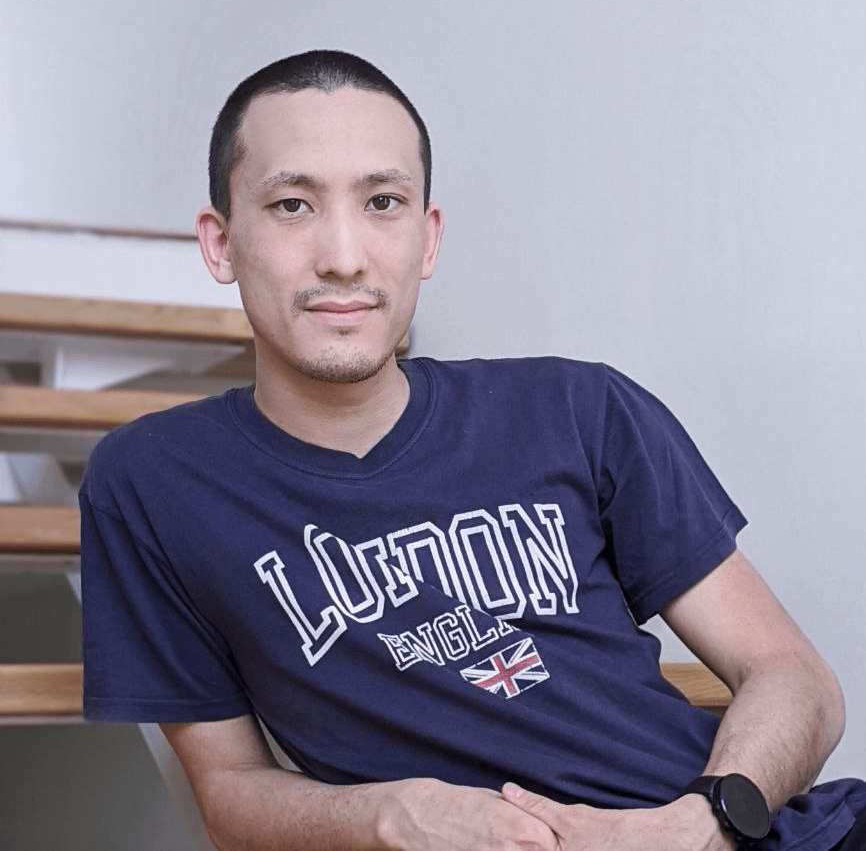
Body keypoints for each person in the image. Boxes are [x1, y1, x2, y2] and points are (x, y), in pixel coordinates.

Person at [80, 50, 866, 851]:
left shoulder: (577, 407)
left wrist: (700, 826)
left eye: (382, 201)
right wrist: (390, 816)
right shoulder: (151, 484)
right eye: (291, 205)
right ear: (219, 244)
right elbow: (228, 791)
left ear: (427, 240)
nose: (344, 256)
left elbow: (796, 679)